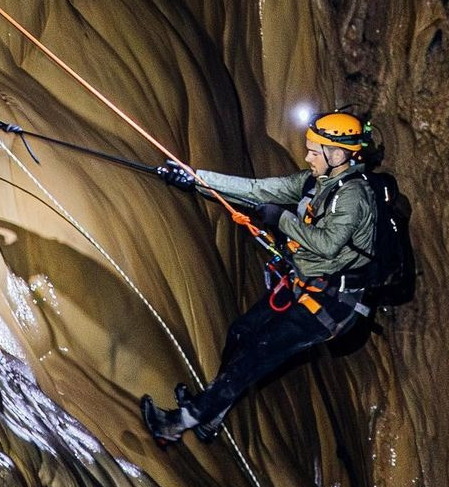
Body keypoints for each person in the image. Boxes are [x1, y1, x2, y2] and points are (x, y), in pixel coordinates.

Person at [140, 111, 378, 446]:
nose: (307, 156)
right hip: (302, 286)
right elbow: (258, 189)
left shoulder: (354, 198)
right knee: (241, 333)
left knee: (257, 354)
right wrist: (194, 178)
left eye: (314, 150)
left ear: (337, 155)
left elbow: (327, 244)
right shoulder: (316, 181)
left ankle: (179, 422)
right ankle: (215, 411)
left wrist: (282, 220)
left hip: (331, 305)